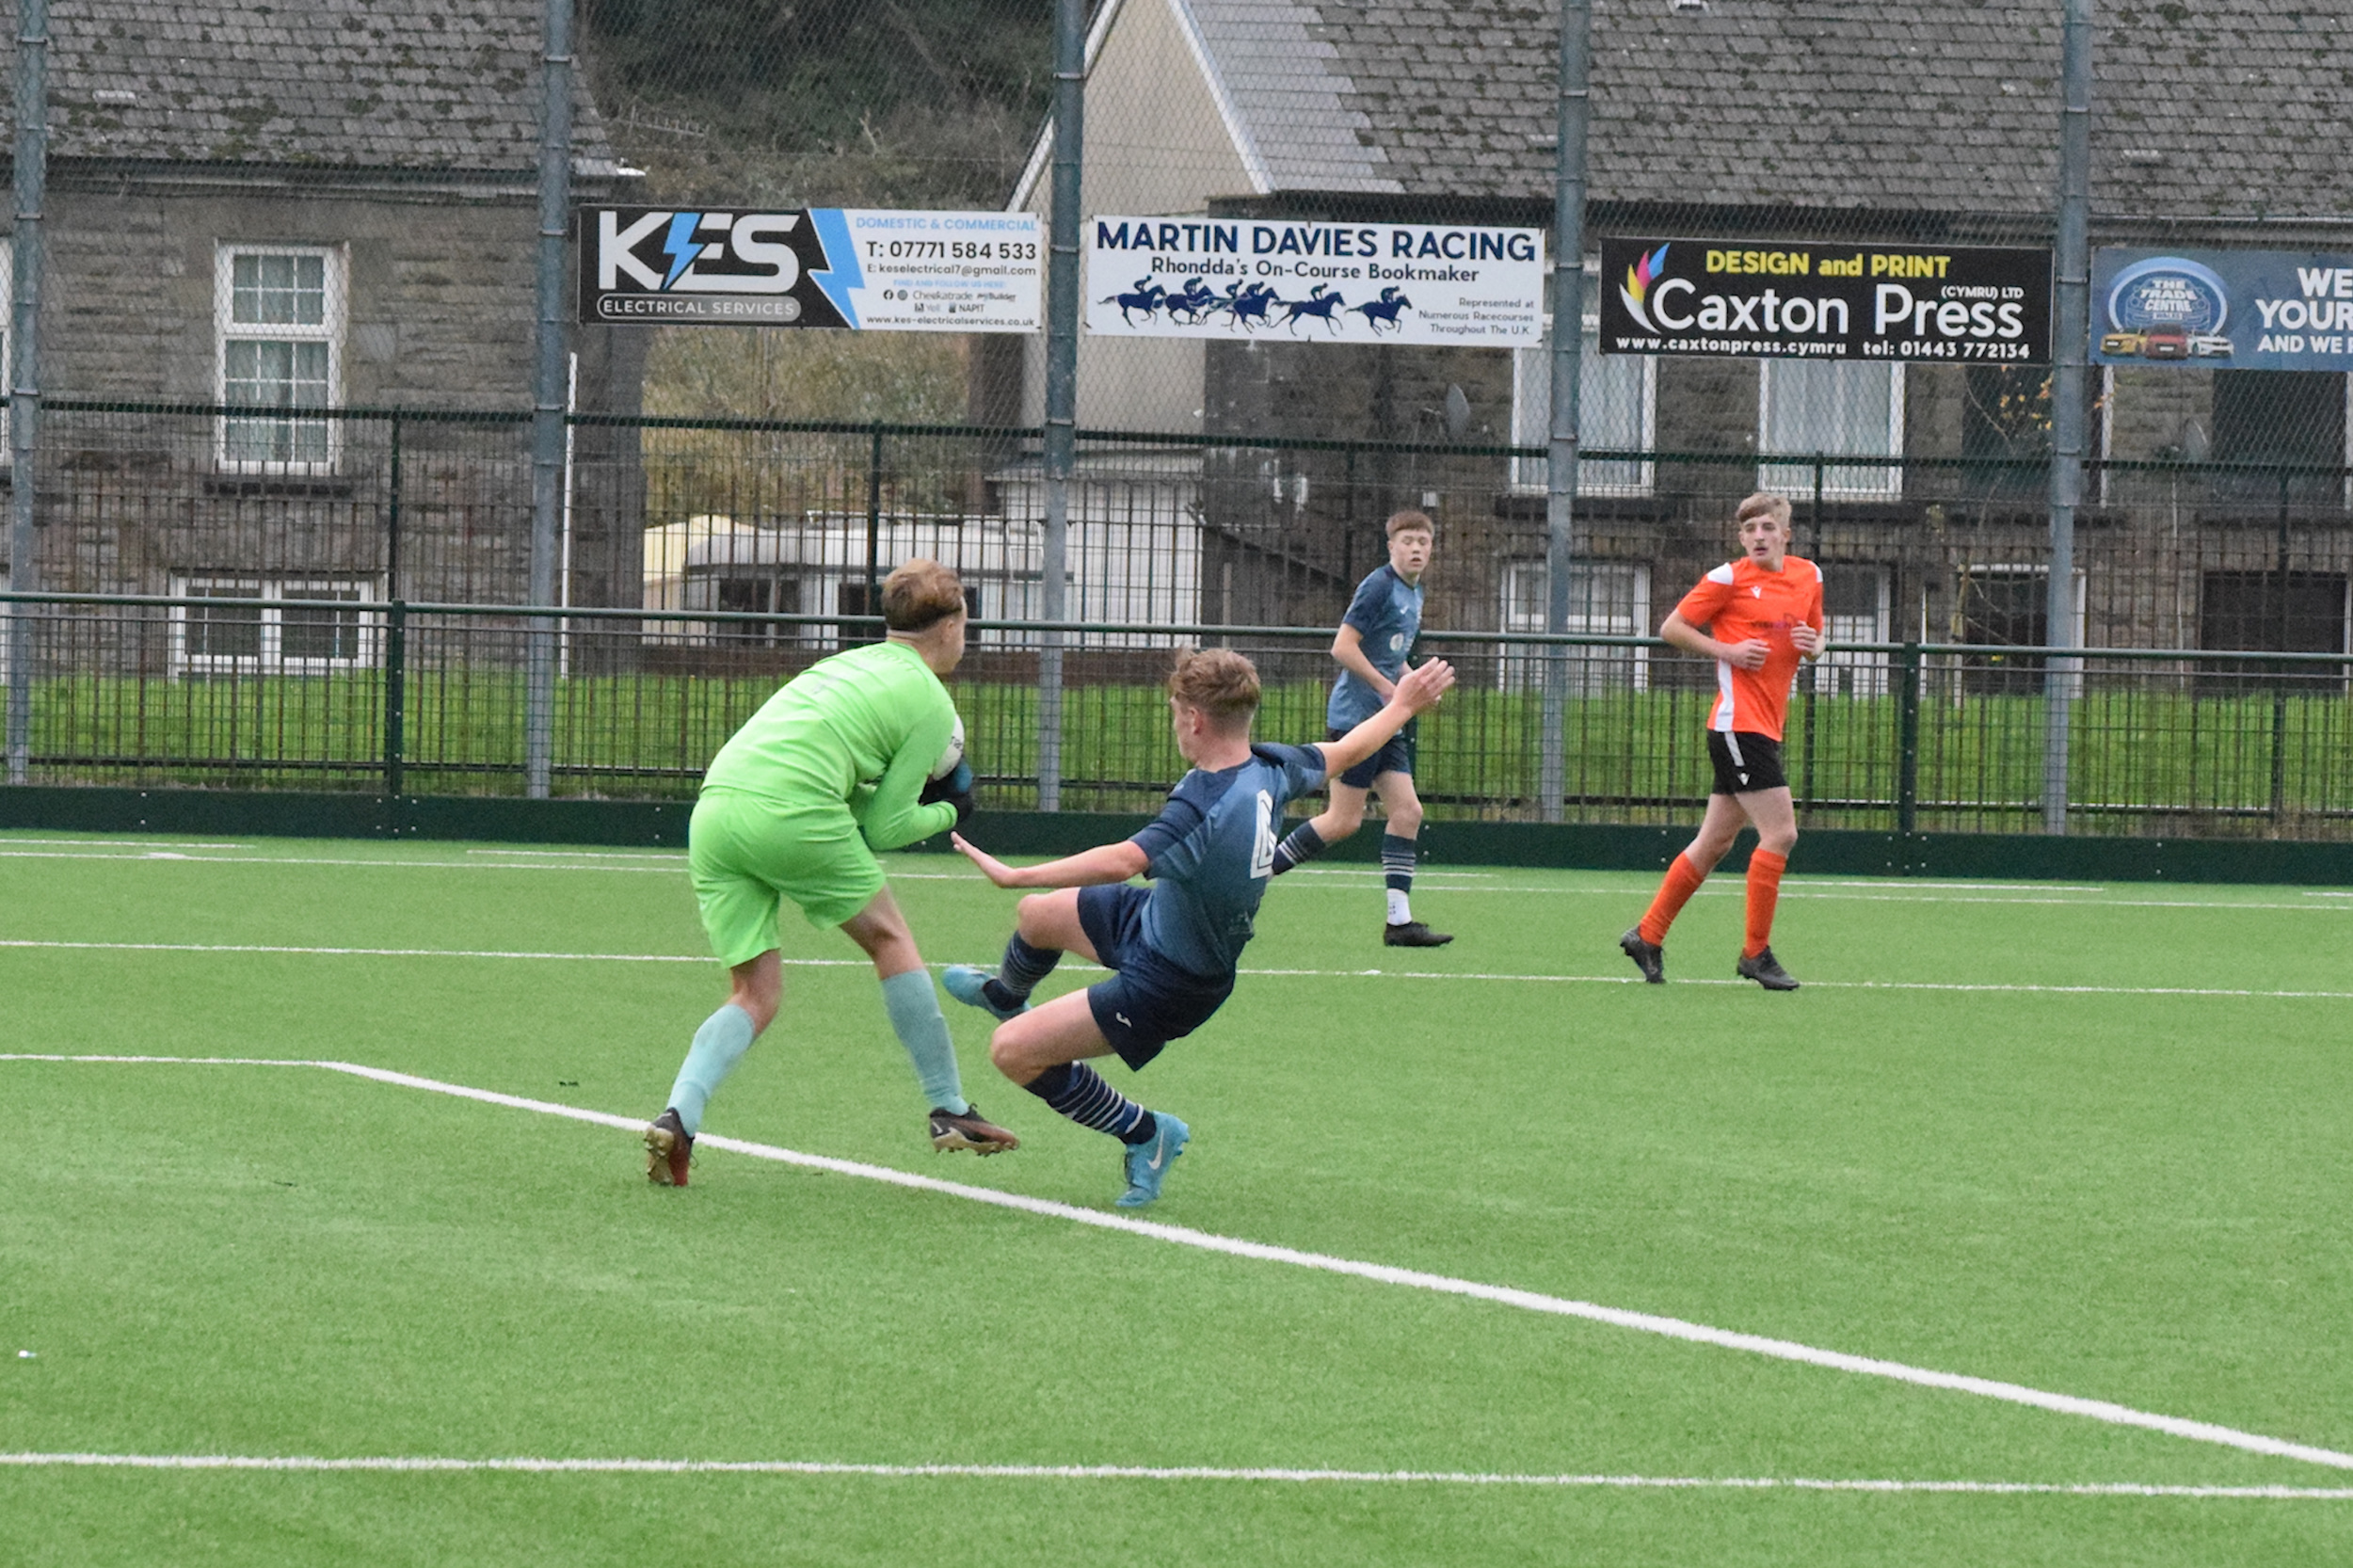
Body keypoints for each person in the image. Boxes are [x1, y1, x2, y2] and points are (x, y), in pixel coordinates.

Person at [940, 647, 1457, 1208]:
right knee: (1038, 919)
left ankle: (1146, 1133)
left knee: (1012, 1052)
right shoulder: (1273, 765)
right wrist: (1403, 704)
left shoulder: (1204, 802)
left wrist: (1018, 874)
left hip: (1173, 982)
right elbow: (1347, 749)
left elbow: (1123, 861)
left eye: (1172, 711)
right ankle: (1003, 994)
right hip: (1156, 920)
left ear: (1193, 719)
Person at [644, 558, 1017, 1186]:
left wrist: (909, 801)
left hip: (717, 810)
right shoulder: (929, 698)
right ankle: (949, 1107)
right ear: (951, 625)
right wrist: (954, 808)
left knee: (754, 993)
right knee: (891, 938)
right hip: (792, 813)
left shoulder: (844, 665)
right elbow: (886, 829)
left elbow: (846, 793)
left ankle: (679, 1116)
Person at [1620, 492, 1824, 991]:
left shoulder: (1808, 576)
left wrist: (1816, 647)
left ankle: (1647, 935)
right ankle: (1756, 954)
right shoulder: (1727, 579)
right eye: (1750, 528)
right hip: (1738, 726)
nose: (1758, 535)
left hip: (1765, 727)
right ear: (1741, 537)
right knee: (1781, 833)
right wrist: (1728, 650)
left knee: (1714, 843)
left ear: (1785, 534)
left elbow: (1818, 635)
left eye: (1768, 527)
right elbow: (1672, 627)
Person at [1263, 508, 1452, 948]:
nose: (1416, 549)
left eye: (1423, 542)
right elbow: (1343, 647)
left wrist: (1414, 685)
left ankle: (1399, 923)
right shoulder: (1379, 586)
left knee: (1408, 813)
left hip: (1388, 719)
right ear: (1391, 547)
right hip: (1357, 720)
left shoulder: (1414, 592)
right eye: (1407, 541)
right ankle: (1256, 876)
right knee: (1343, 820)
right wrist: (1391, 690)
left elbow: (1389, 656)